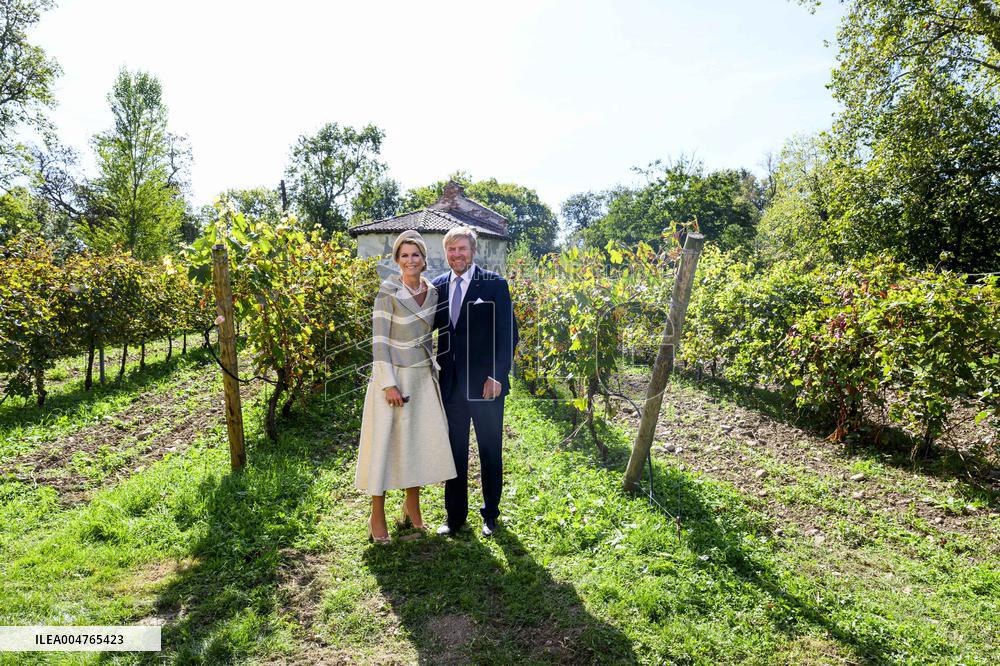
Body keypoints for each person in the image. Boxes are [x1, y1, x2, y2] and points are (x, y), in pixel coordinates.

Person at [355, 230, 456, 544]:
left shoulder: (433, 291)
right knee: (385, 445)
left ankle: (412, 508)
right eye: (404, 255)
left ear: (424, 259)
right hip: (394, 379)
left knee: (415, 443)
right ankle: (376, 515)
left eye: (416, 255)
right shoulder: (389, 290)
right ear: (397, 260)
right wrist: (388, 384)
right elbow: (379, 341)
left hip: (423, 377)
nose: (410, 261)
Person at [433, 226, 518, 538]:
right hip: (451, 384)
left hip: (486, 385)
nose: (457, 255)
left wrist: (497, 375)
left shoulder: (494, 285)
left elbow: (508, 333)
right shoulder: (438, 286)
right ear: (446, 253)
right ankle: (454, 517)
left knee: (489, 449)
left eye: (462, 249)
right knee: (454, 451)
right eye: (451, 250)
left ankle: (491, 515)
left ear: (473, 251)